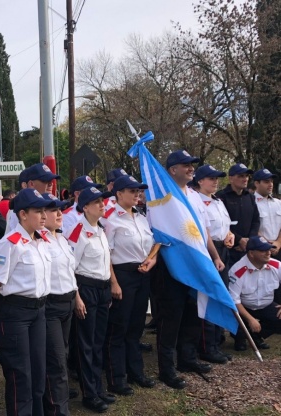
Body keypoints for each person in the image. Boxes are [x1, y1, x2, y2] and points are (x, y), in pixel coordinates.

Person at [154, 150, 225, 390]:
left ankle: (187, 358)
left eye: (192, 164)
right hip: (172, 265)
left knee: (193, 313)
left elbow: (203, 232)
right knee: (171, 316)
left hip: (196, 263)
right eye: (186, 165)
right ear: (173, 169)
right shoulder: (162, 196)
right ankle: (167, 368)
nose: (191, 168)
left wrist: (214, 257)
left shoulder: (195, 197)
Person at [0, 189, 55, 416]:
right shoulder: (9, 244)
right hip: (15, 313)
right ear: (23, 214)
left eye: (45, 210)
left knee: (38, 372)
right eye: (38, 211)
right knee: (20, 376)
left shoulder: (42, 240)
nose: (44, 215)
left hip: (38, 311)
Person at [102, 176, 157, 397]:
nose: (137, 195)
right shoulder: (110, 219)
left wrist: (151, 260)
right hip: (121, 274)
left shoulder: (141, 217)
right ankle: (116, 377)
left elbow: (153, 245)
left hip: (142, 273)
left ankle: (136, 371)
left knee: (136, 326)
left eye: (138, 191)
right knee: (118, 327)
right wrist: (113, 282)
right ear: (119, 193)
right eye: (132, 191)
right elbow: (106, 254)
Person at [65, 186, 115, 413]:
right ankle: (89, 393)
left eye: (103, 202)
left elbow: (105, 263)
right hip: (86, 289)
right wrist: (77, 297)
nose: (102, 205)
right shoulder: (78, 232)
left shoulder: (101, 229)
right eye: (97, 203)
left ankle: (98, 387)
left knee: (98, 341)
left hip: (102, 290)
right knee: (86, 343)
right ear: (85, 207)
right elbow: (70, 268)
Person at [41, 193, 84, 416]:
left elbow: (69, 272)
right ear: (41, 215)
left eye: (60, 209)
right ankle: (58, 410)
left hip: (67, 303)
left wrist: (76, 297)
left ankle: (58, 400)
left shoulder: (61, 238)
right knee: (56, 362)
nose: (59, 214)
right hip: (50, 307)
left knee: (62, 357)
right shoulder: (38, 241)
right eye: (53, 210)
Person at [192, 165, 234, 364]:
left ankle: (216, 341)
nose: (215, 181)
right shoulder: (196, 201)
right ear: (200, 181)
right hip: (208, 251)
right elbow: (204, 232)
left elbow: (224, 226)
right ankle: (206, 345)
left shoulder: (218, 201)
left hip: (223, 249)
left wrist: (230, 235)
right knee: (209, 297)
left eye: (217, 178)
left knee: (221, 294)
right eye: (211, 178)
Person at [229, 236, 281, 350]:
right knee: (236, 319)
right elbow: (234, 300)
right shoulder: (237, 270)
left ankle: (257, 335)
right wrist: (250, 319)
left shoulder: (276, 265)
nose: (268, 253)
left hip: (265, 305)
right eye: (263, 250)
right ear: (251, 253)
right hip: (243, 307)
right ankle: (240, 337)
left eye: (269, 249)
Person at [216, 163, 260, 266]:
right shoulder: (221, 197)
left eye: (246, 176)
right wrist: (239, 240)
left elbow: (256, 220)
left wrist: (249, 241)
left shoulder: (250, 197)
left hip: (247, 249)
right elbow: (221, 224)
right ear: (231, 178)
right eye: (240, 176)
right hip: (228, 249)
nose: (245, 179)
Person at [5, 163, 60, 233]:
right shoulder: (20, 207)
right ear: (30, 184)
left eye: (51, 181)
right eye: (45, 180)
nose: (50, 184)